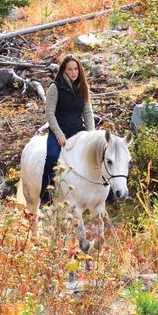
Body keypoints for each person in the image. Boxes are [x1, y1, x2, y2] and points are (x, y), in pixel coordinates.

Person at [40, 55, 95, 205]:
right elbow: (49, 113)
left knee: (95, 155)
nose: (73, 72)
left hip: (79, 132)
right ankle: (46, 198)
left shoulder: (83, 87)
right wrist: (59, 134)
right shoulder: (55, 87)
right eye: (70, 69)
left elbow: (88, 113)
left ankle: (105, 196)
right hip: (59, 131)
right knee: (51, 157)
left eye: (76, 69)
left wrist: (91, 135)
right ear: (64, 70)